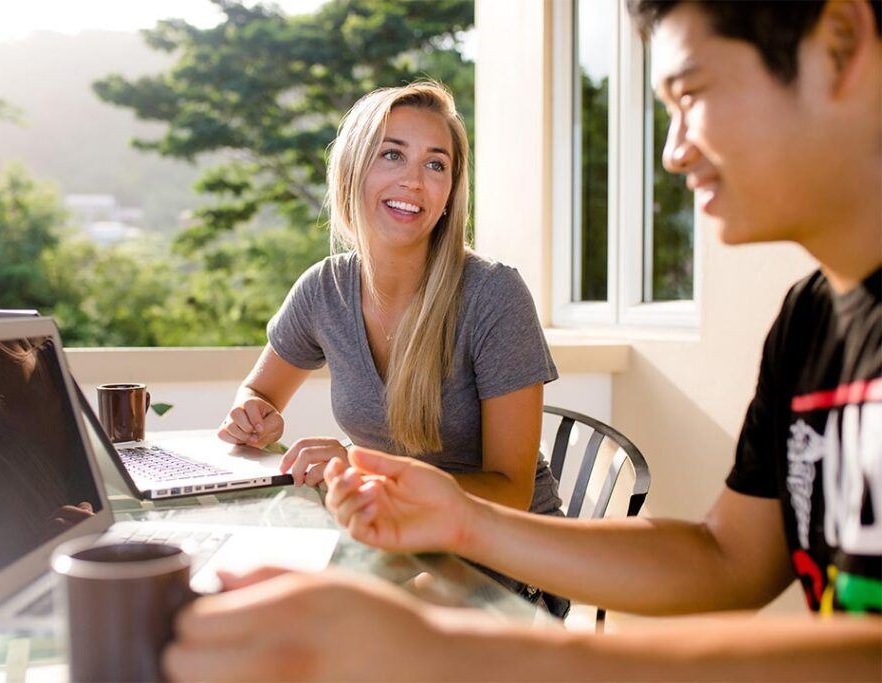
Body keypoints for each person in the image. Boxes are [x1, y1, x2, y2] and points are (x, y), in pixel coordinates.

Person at [163, 1, 882, 680]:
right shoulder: (811, 321)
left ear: (842, 43)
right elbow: (729, 558)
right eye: (391, 155)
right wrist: (460, 519)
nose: (671, 152)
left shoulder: (490, 293)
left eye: (691, 93)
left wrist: (463, 649)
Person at [214, 82, 565, 604]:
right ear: (352, 170)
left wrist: (358, 467)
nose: (413, 181)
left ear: (450, 193)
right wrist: (253, 414)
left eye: (435, 164)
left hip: (506, 553)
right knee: (262, 591)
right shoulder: (324, 290)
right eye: (392, 154)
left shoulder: (493, 295)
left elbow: (511, 492)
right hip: (397, 539)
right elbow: (259, 392)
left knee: (350, 623)